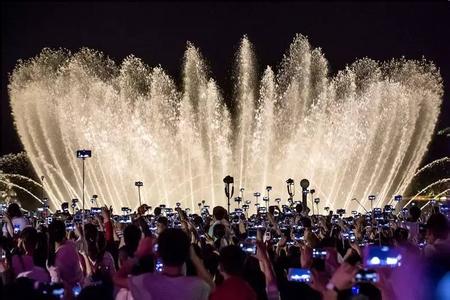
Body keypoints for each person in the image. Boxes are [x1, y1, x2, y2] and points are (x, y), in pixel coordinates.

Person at [114, 228, 212, 300]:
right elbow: (212, 287)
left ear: (158, 252)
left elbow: (116, 279)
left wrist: (138, 255)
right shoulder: (197, 286)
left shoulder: (146, 282)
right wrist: (194, 257)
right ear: (187, 253)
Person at [47, 220, 83, 290]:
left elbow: (55, 282)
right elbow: (80, 241)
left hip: (67, 293)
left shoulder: (52, 259)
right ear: (64, 233)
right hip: (80, 288)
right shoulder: (72, 245)